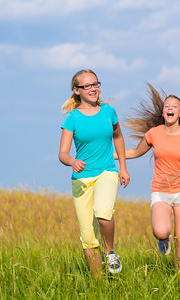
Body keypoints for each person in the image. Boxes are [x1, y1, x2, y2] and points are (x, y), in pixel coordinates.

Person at [114, 83, 180, 271]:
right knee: (161, 232)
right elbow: (136, 151)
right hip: (160, 190)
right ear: (163, 112)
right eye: (166, 106)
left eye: (174, 106)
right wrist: (110, 155)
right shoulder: (154, 133)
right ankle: (163, 240)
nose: (169, 108)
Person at [59, 69, 130, 279]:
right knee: (87, 236)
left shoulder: (109, 112)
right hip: (81, 180)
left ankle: (110, 252)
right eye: (87, 86)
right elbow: (62, 153)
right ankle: (97, 283)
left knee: (103, 211)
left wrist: (123, 167)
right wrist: (72, 161)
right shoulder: (71, 118)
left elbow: (118, 137)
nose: (93, 89)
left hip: (107, 171)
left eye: (95, 84)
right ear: (77, 90)